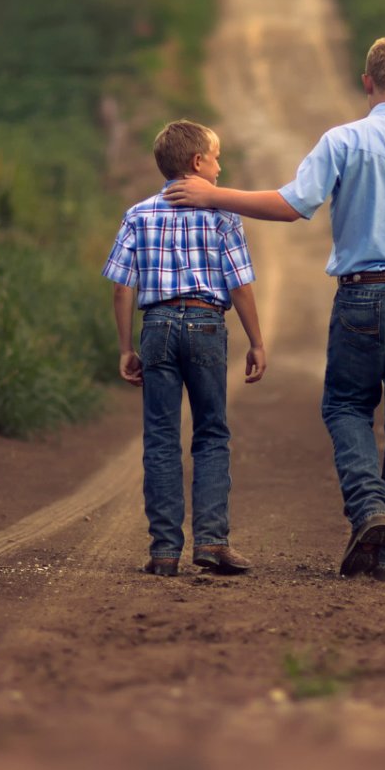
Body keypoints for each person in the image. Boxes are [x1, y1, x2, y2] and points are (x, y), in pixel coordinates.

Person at [167, 36, 385, 584]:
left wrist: (214, 194)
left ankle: (369, 510)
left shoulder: (344, 141)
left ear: (367, 82)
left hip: (363, 292)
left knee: (345, 407)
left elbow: (292, 206)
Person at [105, 119, 267, 577]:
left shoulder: (138, 214)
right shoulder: (222, 214)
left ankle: (163, 551)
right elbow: (241, 286)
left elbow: (121, 289)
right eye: (216, 157)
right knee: (211, 433)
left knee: (160, 437)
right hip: (205, 325)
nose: (220, 166)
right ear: (197, 162)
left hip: (156, 325)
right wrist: (256, 341)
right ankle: (212, 542)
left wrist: (124, 347)